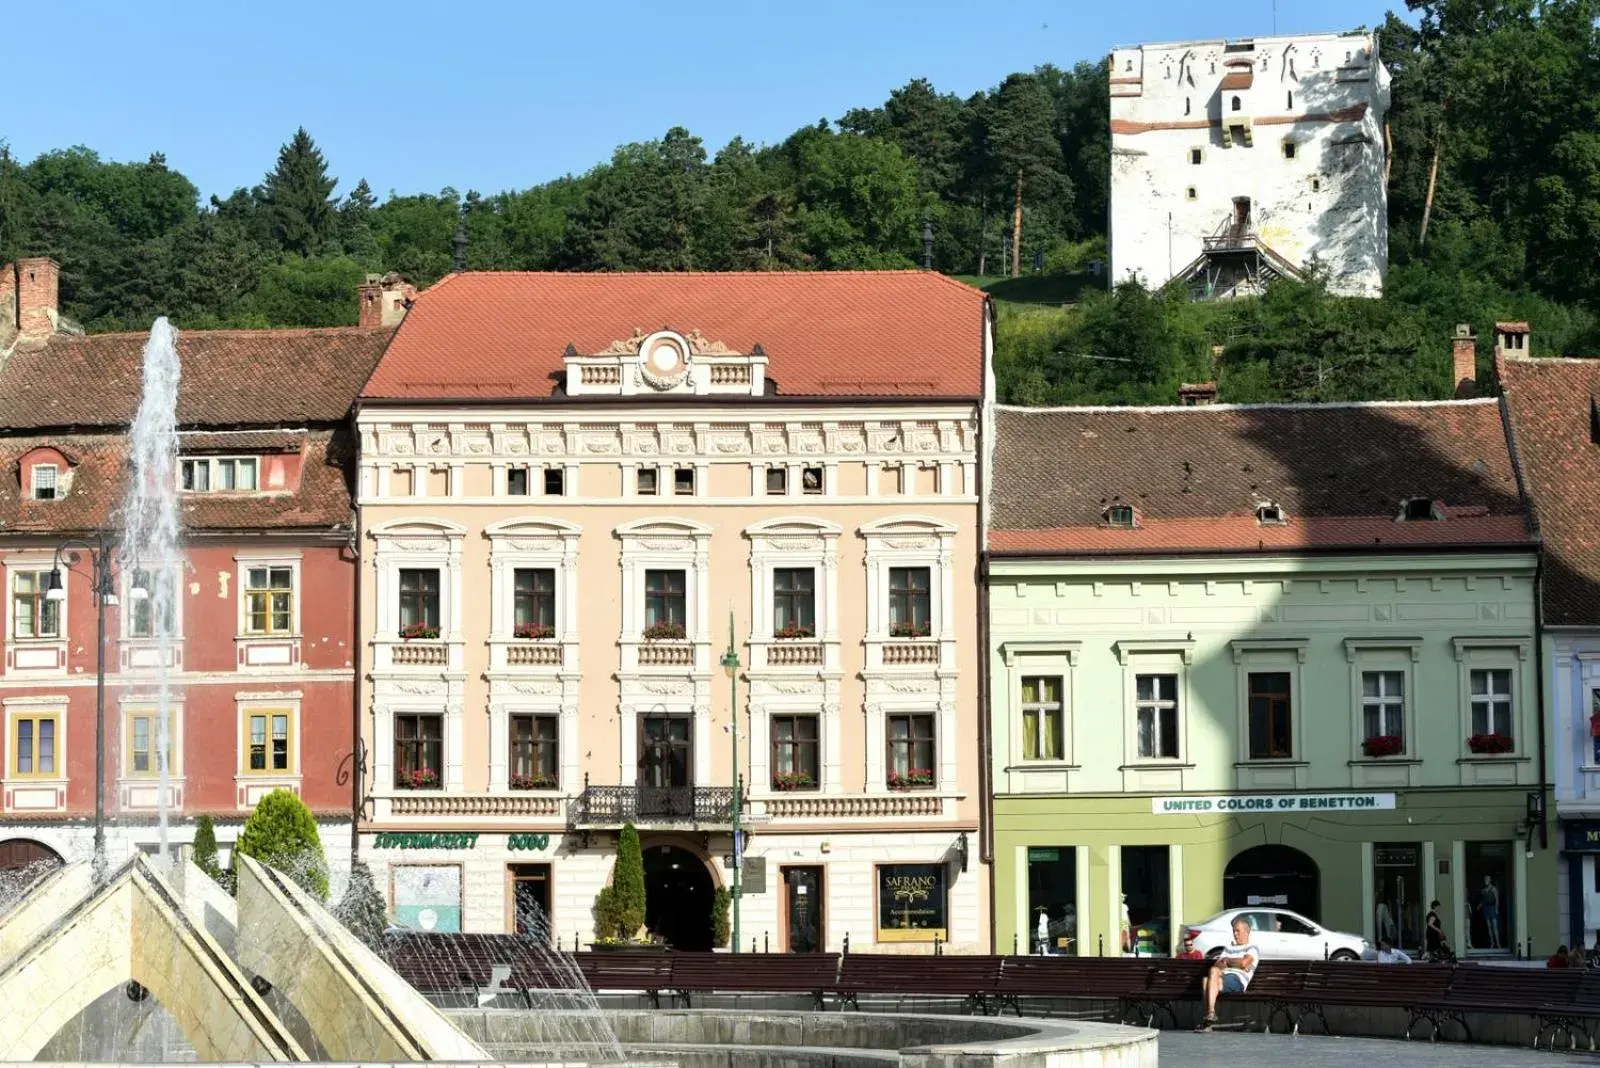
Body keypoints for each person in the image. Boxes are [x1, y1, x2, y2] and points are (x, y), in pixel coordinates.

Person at [1198, 917, 1259, 1031]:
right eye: (1234, 931)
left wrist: (1227, 961)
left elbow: (1244, 963)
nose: (1235, 934)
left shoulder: (1252, 948)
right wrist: (1236, 963)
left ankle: (1207, 1021)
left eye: (1238, 931)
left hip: (1237, 980)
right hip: (1221, 977)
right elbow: (1217, 964)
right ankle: (1211, 1014)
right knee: (1211, 974)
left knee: (1208, 980)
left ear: (1247, 932)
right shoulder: (1229, 948)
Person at [1480, 876, 1501, 950]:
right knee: (1489, 927)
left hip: (1492, 908)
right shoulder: (1483, 890)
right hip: (1486, 908)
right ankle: (1492, 943)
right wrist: (1480, 905)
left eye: (1487, 879)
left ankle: (1498, 944)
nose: (1486, 880)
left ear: (1490, 880)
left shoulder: (1494, 889)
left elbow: (1497, 899)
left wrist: (1496, 909)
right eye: (1485, 879)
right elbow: (1483, 900)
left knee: (1495, 927)